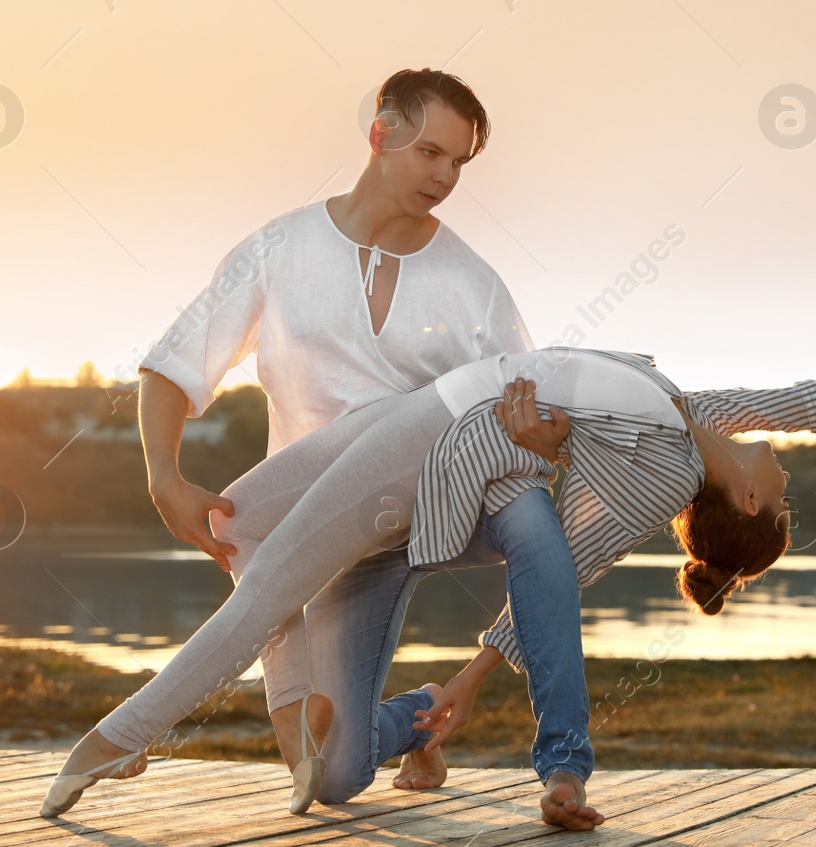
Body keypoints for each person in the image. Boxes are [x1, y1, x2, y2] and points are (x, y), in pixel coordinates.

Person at [40, 331, 816, 827]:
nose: (790, 477)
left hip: (423, 462)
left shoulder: (668, 470)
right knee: (241, 542)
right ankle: (372, 722)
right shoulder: (696, 414)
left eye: (785, 507)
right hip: (415, 418)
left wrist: (548, 452)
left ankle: (117, 735)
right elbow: (809, 403)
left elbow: (561, 566)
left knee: (267, 583)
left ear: (747, 501)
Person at [132, 66, 548, 791]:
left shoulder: (473, 285)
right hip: (288, 533)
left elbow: (518, 414)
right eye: (430, 152)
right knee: (325, 777)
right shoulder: (278, 249)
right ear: (380, 131)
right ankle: (418, 715)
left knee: (323, 770)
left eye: (458, 162)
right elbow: (172, 366)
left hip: (396, 531)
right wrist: (163, 474)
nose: (445, 175)